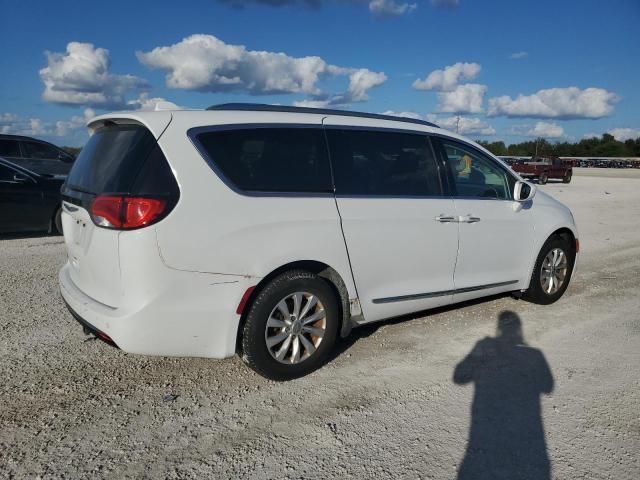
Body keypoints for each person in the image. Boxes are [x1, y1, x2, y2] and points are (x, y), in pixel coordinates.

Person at [454, 311, 554, 480]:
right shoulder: (534, 354)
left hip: (485, 432)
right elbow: (548, 386)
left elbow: (459, 377)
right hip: (527, 435)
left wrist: (478, 357)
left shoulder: (484, 346)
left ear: (499, 329)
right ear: (519, 330)